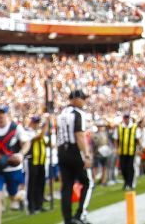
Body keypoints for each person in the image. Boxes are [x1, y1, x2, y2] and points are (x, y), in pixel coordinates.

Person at [0, 105, 30, 224]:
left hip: (12, 167)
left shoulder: (16, 128)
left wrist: (20, 154)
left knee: (14, 196)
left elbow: (26, 142)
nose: (0, 116)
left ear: (7, 114)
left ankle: (19, 197)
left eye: (3, 113)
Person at [56, 90, 93, 224]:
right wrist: (87, 155)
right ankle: (80, 215)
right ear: (76, 99)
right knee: (88, 182)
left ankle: (67, 219)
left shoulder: (61, 115)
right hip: (74, 151)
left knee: (66, 186)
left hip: (62, 152)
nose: (84, 102)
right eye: (83, 98)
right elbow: (79, 135)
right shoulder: (78, 114)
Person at [27, 116, 50, 213]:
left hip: (41, 161)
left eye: (37, 122)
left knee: (41, 184)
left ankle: (39, 204)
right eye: (35, 122)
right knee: (32, 184)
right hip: (32, 161)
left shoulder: (38, 131)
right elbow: (38, 137)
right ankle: (31, 205)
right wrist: (47, 124)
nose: (36, 124)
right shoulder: (28, 132)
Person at [115, 114, 139, 191]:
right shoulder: (119, 127)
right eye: (125, 118)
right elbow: (116, 139)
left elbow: (137, 139)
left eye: (127, 118)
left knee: (130, 167)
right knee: (122, 167)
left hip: (131, 151)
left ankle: (130, 183)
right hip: (122, 151)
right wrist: (116, 148)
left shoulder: (134, 127)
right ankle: (126, 182)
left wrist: (139, 148)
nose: (126, 120)